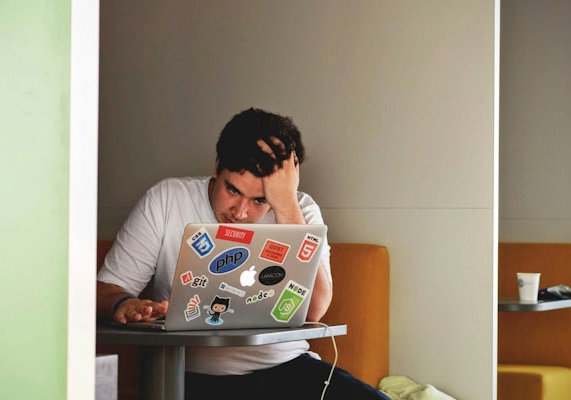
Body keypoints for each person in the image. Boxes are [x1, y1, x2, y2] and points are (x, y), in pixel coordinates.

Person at [96, 107, 388, 399]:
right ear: (217, 166)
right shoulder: (167, 199)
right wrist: (124, 302)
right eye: (232, 190)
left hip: (286, 368)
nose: (241, 212)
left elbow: (315, 310)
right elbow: (105, 289)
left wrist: (285, 203)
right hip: (190, 377)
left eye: (260, 199)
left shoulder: (300, 210)